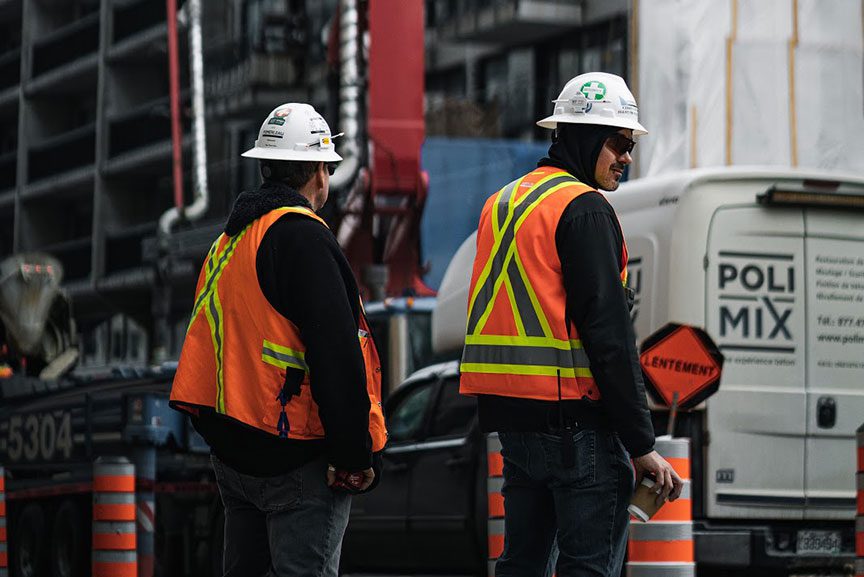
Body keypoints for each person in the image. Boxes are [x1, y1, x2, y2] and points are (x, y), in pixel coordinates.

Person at [460, 72, 684, 577]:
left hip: (515, 427)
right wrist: (643, 445)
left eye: (630, 145)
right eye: (618, 143)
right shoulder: (583, 210)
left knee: (522, 564)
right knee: (588, 567)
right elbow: (608, 338)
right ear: (583, 138)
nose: (628, 156)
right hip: (576, 429)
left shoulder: (502, 203)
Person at [170, 103, 387, 577]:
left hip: (235, 455)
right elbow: (336, 354)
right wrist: (353, 455)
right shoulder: (303, 239)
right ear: (318, 172)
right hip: (297, 461)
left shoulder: (230, 240)